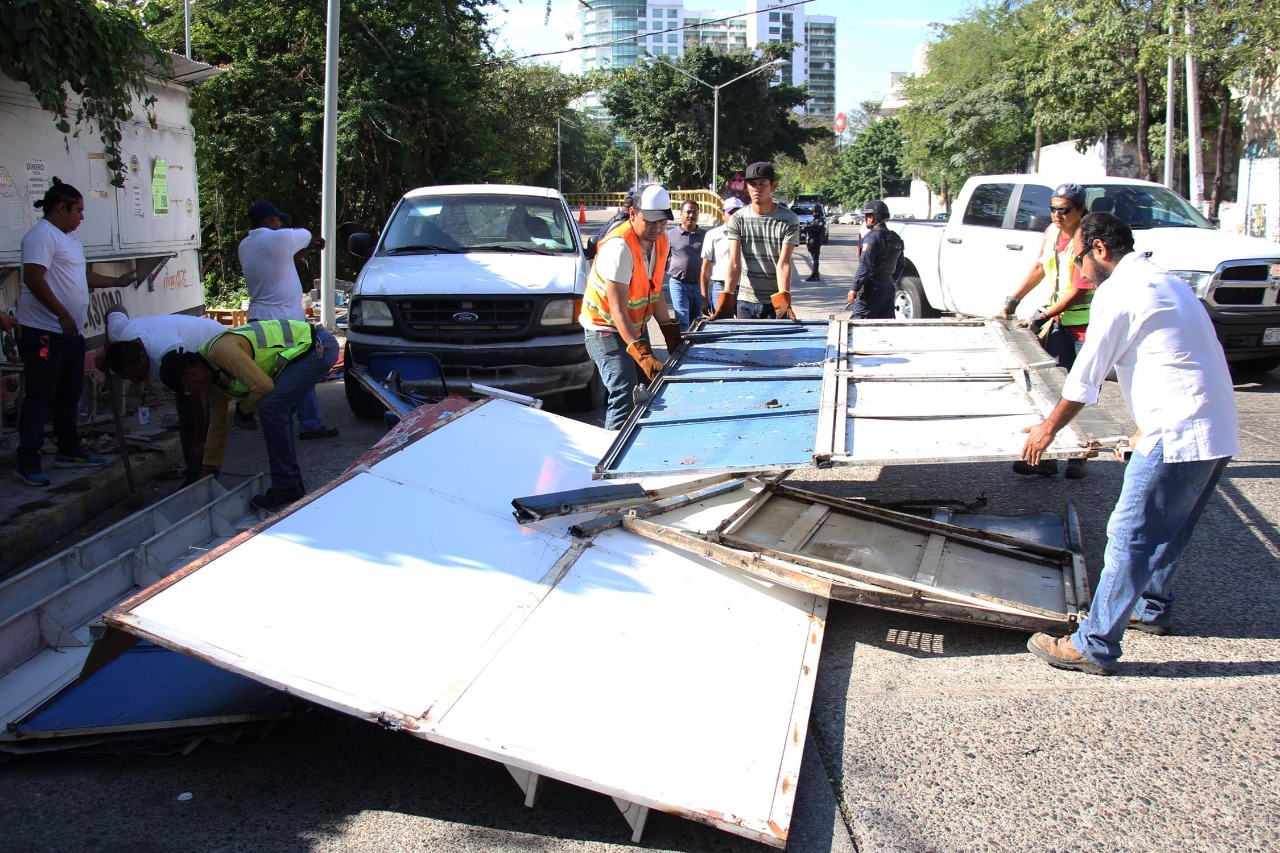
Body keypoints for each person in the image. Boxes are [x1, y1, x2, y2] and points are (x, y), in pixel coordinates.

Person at [1021, 212, 1238, 675]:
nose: (1078, 270)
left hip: (1178, 431)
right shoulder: (1167, 281)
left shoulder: (1121, 291)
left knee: (1130, 535)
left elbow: (1084, 380)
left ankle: (1094, 643)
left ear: (1100, 249)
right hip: (1215, 426)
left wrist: (1047, 429)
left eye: (1079, 258)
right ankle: (1151, 607)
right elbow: (1183, 358)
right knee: (1169, 528)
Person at [14, 178, 137, 487]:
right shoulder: (41, 236)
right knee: (40, 395)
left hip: (69, 332)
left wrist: (116, 282)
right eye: (78, 210)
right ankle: (27, 462)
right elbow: (33, 278)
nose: (82, 217)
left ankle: (68, 450)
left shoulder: (70, 240)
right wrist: (62, 314)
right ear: (61, 207)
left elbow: (82, 276)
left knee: (69, 393)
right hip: (44, 331)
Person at [159, 318, 340, 511]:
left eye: (189, 389)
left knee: (271, 408)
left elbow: (263, 386)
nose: (193, 394)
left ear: (192, 375)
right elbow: (217, 425)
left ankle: (286, 485)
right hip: (304, 351)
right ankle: (291, 482)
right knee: (275, 410)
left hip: (316, 346)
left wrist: (244, 410)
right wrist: (208, 469)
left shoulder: (221, 352)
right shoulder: (213, 379)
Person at [1001, 183, 1095, 479]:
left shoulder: (1087, 238)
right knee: (1052, 386)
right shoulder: (1052, 233)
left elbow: (1080, 290)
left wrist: (1042, 315)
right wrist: (1014, 298)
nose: (1057, 215)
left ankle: (1080, 455)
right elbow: (1040, 268)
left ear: (1080, 210)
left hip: (1084, 325)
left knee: (1082, 389)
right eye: (1053, 209)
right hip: (1059, 320)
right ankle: (1049, 456)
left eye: (1064, 210)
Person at [578, 184, 682, 430]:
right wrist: (643, 353)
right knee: (624, 392)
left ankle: (636, 445)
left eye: (662, 222)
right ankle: (606, 458)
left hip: (633, 326)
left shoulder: (660, 240)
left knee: (649, 389)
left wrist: (669, 331)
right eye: (650, 221)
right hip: (604, 328)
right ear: (633, 214)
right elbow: (617, 310)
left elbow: (653, 291)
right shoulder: (619, 247)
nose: (657, 228)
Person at [238, 201, 338, 441]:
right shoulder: (275, 239)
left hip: (261, 318)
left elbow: (288, 258)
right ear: (268, 221)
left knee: (289, 370)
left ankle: (309, 422)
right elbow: (305, 234)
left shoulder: (247, 244)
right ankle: (293, 419)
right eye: (277, 220)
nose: (280, 223)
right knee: (303, 365)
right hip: (282, 322)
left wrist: (308, 249)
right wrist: (310, 241)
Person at [102, 306, 226, 485]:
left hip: (214, 344)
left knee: (200, 419)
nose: (136, 381)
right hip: (181, 338)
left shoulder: (168, 357)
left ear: (143, 356)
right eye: (128, 379)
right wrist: (106, 352)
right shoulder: (119, 332)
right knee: (186, 419)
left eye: (135, 375)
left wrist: (198, 441)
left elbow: (197, 399)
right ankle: (193, 474)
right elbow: (114, 310)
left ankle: (206, 478)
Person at [712, 162, 799, 321]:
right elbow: (734, 263)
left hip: (774, 301)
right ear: (746, 186)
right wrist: (726, 301)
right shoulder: (738, 218)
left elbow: (784, 264)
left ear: (773, 185)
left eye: (762, 184)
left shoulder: (788, 219)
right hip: (745, 301)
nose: (757, 189)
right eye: (752, 184)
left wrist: (784, 302)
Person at [847, 199, 903, 320]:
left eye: (866, 216)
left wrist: (854, 288)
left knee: (858, 326)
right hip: (889, 288)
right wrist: (888, 280)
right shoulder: (895, 237)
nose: (864, 219)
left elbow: (865, 265)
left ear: (873, 217)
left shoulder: (872, 237)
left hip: (872, 289)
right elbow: (900, 265)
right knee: (884, 326)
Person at [700, 197, 744, 317]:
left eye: (738, 213)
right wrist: (704, 297)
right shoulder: (713, 235)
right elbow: (705, 267)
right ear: (723, 214)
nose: (734, 217)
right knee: (722, 325)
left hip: (744, 289)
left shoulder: (749, 236)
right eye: (731, 213)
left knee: (744, 327)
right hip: (720, 287)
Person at [665, 200, 706, 331]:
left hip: (698, 284)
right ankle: (681, 349)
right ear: (681, 214)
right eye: (688, 212)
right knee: (682, 319)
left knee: (697, 321)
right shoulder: (670, 235)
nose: (691, 215)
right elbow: (662, 258)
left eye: (694, 212)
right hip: (678, 284)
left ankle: (694, 349)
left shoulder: (705, 236)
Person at [803, 208, 823, 281]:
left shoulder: (820, 220)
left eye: (814, 212)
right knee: (814, 258)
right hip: (811, 239)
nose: (812, 213)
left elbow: (819, 230)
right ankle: (816, 275)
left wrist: (809, 228)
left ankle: (814, 275)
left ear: (817, 212)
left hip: (816, 240)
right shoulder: (814, 220)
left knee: (815, 259)